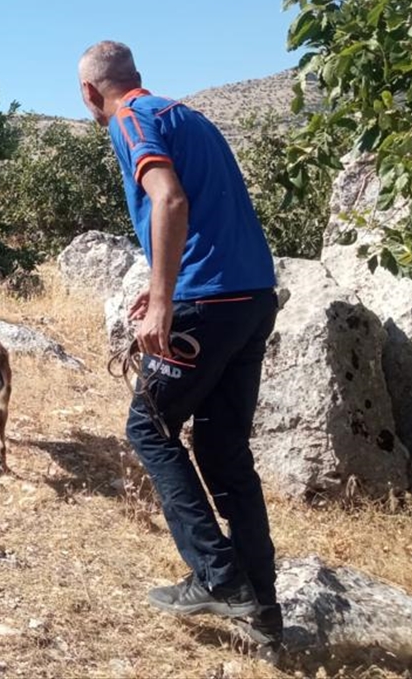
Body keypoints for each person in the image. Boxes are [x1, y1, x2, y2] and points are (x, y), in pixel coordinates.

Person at [77, 40, 283, 656]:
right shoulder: (186, 116)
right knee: (223, 450)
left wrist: (166, 300)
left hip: (207, 305)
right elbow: (209, 217)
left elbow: (169, 198)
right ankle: (264, 610)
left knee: (149, 428)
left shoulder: (130, 118)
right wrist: (159, 282)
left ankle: (218, 578)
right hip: (251, 298)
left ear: (92, 92)